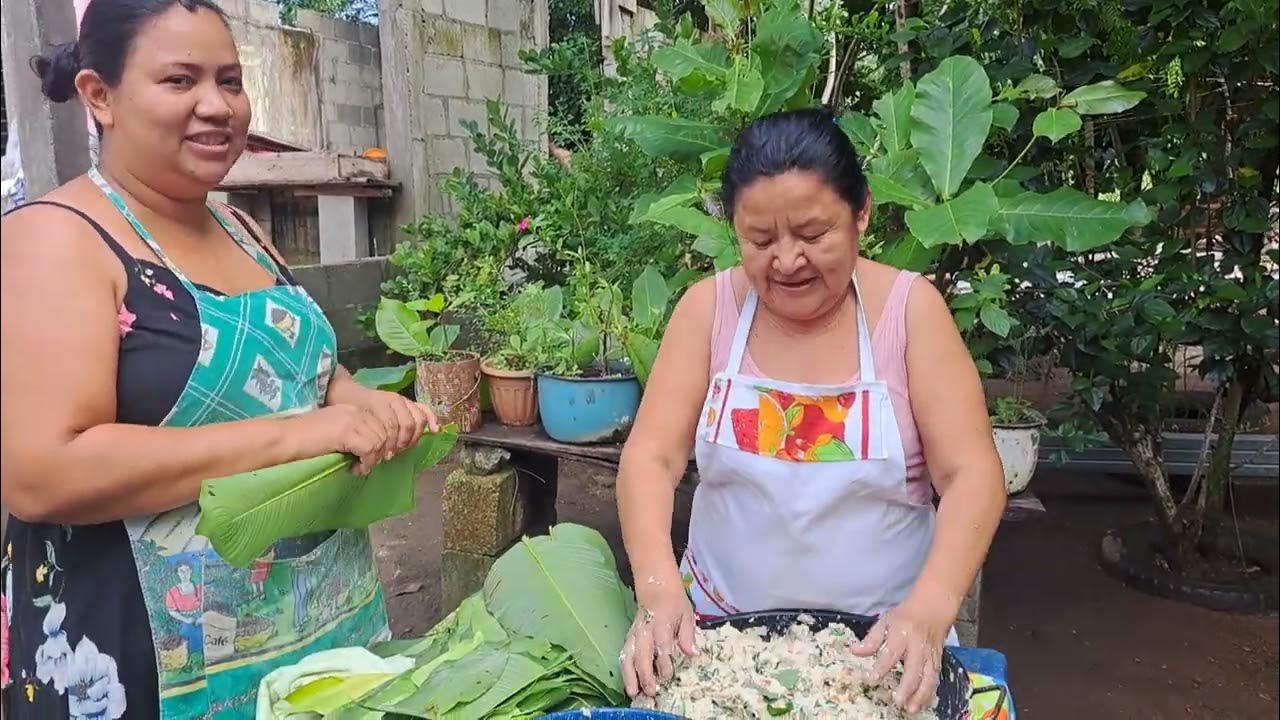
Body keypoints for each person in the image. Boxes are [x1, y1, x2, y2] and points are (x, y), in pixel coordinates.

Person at [0, 1, 438, 718]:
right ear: (99, 95)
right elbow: (44, 473)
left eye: (230, 80)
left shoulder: (240, 227)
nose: (217, 105)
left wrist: (363, 405)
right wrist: (300, 436)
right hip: (146, 657)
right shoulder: (59, 239)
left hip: (312, 625)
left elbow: (311, 375)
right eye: (180, 80)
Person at [616, 109, 1007, 714]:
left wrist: (929, 609)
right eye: (761, 240)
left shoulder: (910, 313)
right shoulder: (708, 310)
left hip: (879, 653)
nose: (787, 261)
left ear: (861, 215)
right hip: (720, 644)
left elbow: (972, 475)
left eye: (813, 234)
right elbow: (651, 456)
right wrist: (659, 590)